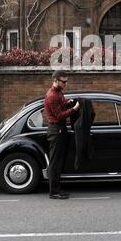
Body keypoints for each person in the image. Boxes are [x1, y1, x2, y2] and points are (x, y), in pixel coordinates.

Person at [44, 71, 79, 199]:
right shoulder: (52, 95)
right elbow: (59, 116)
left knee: (59, 162)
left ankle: (57, 189)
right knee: (55, 162)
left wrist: (68, 103)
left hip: (60, 129)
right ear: (56, 80)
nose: (65, 84)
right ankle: (53, 192)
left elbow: (61, 107)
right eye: (63, 81)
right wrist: (74, 109)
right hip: (56, 130)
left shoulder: (58, 93)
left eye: (66, 81)